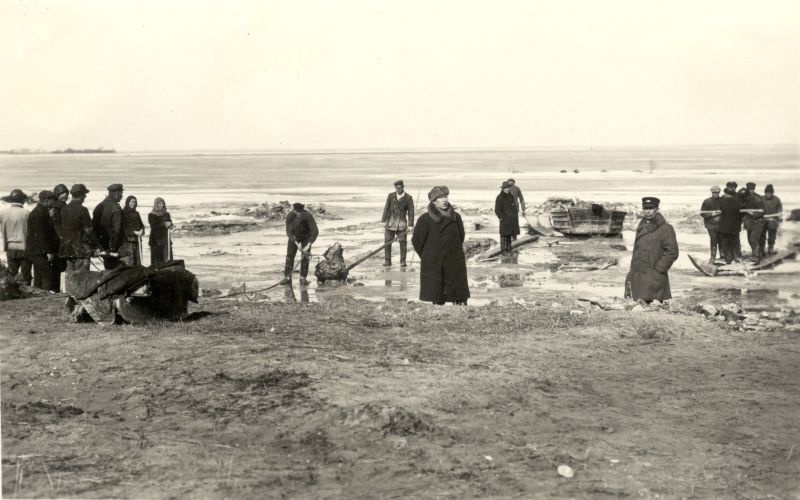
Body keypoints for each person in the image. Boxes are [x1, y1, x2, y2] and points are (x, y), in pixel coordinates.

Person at [412, 186, 470, 305]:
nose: (444, 200)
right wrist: (429, 256)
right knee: (437, 295)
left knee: (458, 295)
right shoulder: (425, 219)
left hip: (454, 260)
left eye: (445, 196)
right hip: (434, 262)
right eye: (440, 198)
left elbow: (461, 237)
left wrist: (453, 251)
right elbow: (417, 241)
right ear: (433, 201)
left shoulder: (456, 217)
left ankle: (459, 312)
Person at [624, 197, 679, 302]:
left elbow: (672, 252)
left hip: (654, 279)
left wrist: (658, 270)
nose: (647, 211)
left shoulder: (666, 228)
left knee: (652, 309)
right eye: (645, 208)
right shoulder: (641, 226)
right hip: (638, 277)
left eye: (651, 208)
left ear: (657, 209)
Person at [59, 184, 96, 272]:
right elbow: (89, 230)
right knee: (81, 278)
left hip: (67, 249)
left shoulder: (64, 209)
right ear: (81, 195)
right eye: (84, 194)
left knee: (70, 275)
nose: (85, 196)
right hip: (81, 249)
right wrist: (96, 246)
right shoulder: (83, 210)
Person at [26, 190, 59, 290]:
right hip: (38, 251)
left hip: (35, 251)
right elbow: (40, 235)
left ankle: (39, 295)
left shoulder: (40, 212)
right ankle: (45, 296)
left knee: (39, 276)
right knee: (47, 275)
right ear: (46, 200)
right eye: (52, 200)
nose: (54, 203)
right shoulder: (39, 214)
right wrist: (48, 251)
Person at [280, 202, 319, 285]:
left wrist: (308, 244)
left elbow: (315, 231)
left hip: (306, 237)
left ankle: (303, 277)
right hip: (294, 236)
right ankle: (287, 277)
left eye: (298, 212)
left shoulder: (308, 215)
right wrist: (296, 244)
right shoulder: (290, 216)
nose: (296, 213)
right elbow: (288, 232)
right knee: (290, 256)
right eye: (294, 211)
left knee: (305, 255)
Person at [0, 189, 32, 285]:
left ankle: (13, 292)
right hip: (24, 247)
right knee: (26, 275)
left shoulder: (3, 213)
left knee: (12, 275)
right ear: (22, 200)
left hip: (10, 247)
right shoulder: (26, 213)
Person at [381, 180, 415, 267]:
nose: (398, 189)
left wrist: (410, 225)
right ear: (395, 188)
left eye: (400, 188)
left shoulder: (408, 198)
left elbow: (411, 212)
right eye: (397, 188)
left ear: (403, 187)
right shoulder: (391, 196)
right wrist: (383, 221)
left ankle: (403, 261)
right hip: (390, 223)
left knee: (403, 243)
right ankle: (387, 261)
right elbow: (386, 208)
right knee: (387, 242)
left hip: (402, 224)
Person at [93, 183, 125, 269]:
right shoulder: (115, 207)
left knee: (108, 269)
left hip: (102, 245)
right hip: (113, 247)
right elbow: (117, 229)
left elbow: (94, 227)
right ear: (116, 193)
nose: (122, 196)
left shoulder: (99, 206)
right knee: (116, 271)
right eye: (121, 193)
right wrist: (114, 248)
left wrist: (99, 246)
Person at [49, 184, 70, 291]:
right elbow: (57, 224)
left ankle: (56, 288)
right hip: (59, 240)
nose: (65, 195)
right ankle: (58, 288)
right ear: (58, 195)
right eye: (63, 193)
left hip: (56, 240)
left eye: (66, 193)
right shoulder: (58, 207)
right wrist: (62, 236)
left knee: (57, 265)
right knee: (59, 265)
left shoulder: (56, 206)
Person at [740, 182, 765, 262]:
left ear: (754, 189)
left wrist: (753, 213)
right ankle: (755, 254)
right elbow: (741, 208)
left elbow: (762, 212)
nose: (751, 191)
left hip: (757, 222)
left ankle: (756, 256)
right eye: (749, 189)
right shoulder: (744, 198)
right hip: (749, 223)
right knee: (750, 240)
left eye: (752, 189)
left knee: (754, 239)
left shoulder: (758, 199)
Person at [718, 187, 743, 264]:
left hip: (724, 227)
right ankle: (737, 258)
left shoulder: (721, 202)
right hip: (735, 227)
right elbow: (740, 214)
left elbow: (720, 209)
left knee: (726, 243)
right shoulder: (738, 202)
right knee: (736, 242)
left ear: (727, 194)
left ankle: (728, 259)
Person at [495, 181, 520, 255]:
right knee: (503, 234)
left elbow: (513, 206)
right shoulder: (499, 197)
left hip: (511, 218)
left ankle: (509, 249)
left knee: (509, 234)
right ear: (503, 189)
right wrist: (501, 218)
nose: (507, 189)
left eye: (508, 188)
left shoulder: (511, 196)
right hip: (504, 218)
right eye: (506, 188)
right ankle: (503, 251)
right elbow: (497, 210)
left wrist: (515, 214)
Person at [148, 197, 173, 266]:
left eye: (162, 203)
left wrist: (170, 225)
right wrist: (164, 224)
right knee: (156, 260)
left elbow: (170, 223)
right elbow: (153, 226)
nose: (161, 205)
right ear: (156, 204)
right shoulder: (152, 215)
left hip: (165, 239)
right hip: (156, 240)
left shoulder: (166, 214)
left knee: (167, 258)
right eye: (159, 203)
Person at [121, 195, 145, 266]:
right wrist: (133, 232)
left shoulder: (136, 213)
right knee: (130, 260)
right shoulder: (123, 213)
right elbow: (123, 227)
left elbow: (141, 225)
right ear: (127, 202)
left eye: (135, 202)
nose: (133, 204)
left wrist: (142, 230)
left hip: (137, 239)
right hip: (128, 240)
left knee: (138, 259)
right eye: (131, 202)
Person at [699, 185, 721, 261]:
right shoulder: (707, 202)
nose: (716, 194)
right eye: (714, 192)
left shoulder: (722, 201)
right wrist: (712, 214)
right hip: (711, 225)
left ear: (719, 192)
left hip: (721, 225)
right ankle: (713, 257)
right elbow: (702, 213)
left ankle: (723, 256)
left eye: (717, 192)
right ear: (712, 193)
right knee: (713, 240)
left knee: (722, 240)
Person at [760, 184, 782, 255]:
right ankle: (761, 249)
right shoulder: (761, 199)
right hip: (763, 220)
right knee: (762, 235)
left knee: (772, 236)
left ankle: (771, 248)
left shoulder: (777, 199)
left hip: (773, 220)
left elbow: (780, 209)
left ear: (772, 193)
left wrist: (779, 215)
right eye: (767, 193)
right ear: (765, 193)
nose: (768, 194)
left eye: (770, 193)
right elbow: (758, 207)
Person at [726, 181, 743, 261]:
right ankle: (729, 256)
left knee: (736, 239)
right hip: (727, 221)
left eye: (733, 187)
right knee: (728, 239)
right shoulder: (724, 197)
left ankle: (737, 255)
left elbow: (741, 207)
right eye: (729, 187)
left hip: (736, 221)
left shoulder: (738, 196)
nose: (731, 188)